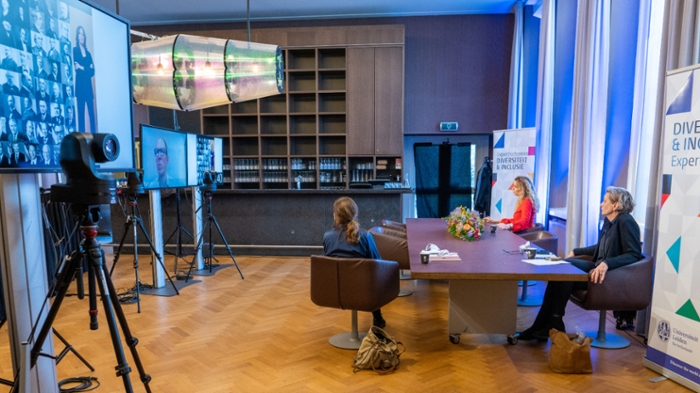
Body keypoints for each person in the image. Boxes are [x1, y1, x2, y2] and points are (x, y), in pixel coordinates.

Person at [516, 186, 642, 341]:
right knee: (561, 272)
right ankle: (543, 325)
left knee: (564, 270)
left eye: (605, 201)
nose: (601, 204)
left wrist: (607, 263)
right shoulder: (609, 222)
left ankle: (551, 324)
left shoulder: (626, 222)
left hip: (610, 275)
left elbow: (634, 254)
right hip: (597, 268)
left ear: (616, 205)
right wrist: (577, 250)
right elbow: (601, 247)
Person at [323, 196, 387, 328]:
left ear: (336, 216)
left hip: (335, 287)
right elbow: (377, 262)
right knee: (371, 275)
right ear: (355, 214)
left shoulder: (327, 237)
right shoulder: (364, 236)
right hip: (363, 288)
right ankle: (377, 318)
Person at [73, 25, 96, 133]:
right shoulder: (75, 51)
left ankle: (94, 139)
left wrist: (82, 67)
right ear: (77, 36)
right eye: (79, 34)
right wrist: (86, 68)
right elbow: (77, 69)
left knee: (92, 115)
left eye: (83, 34)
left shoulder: (89, 54)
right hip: (80, 88)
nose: (81, 36)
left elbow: (92, 72)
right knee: (81, 115)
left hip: (88, 88)